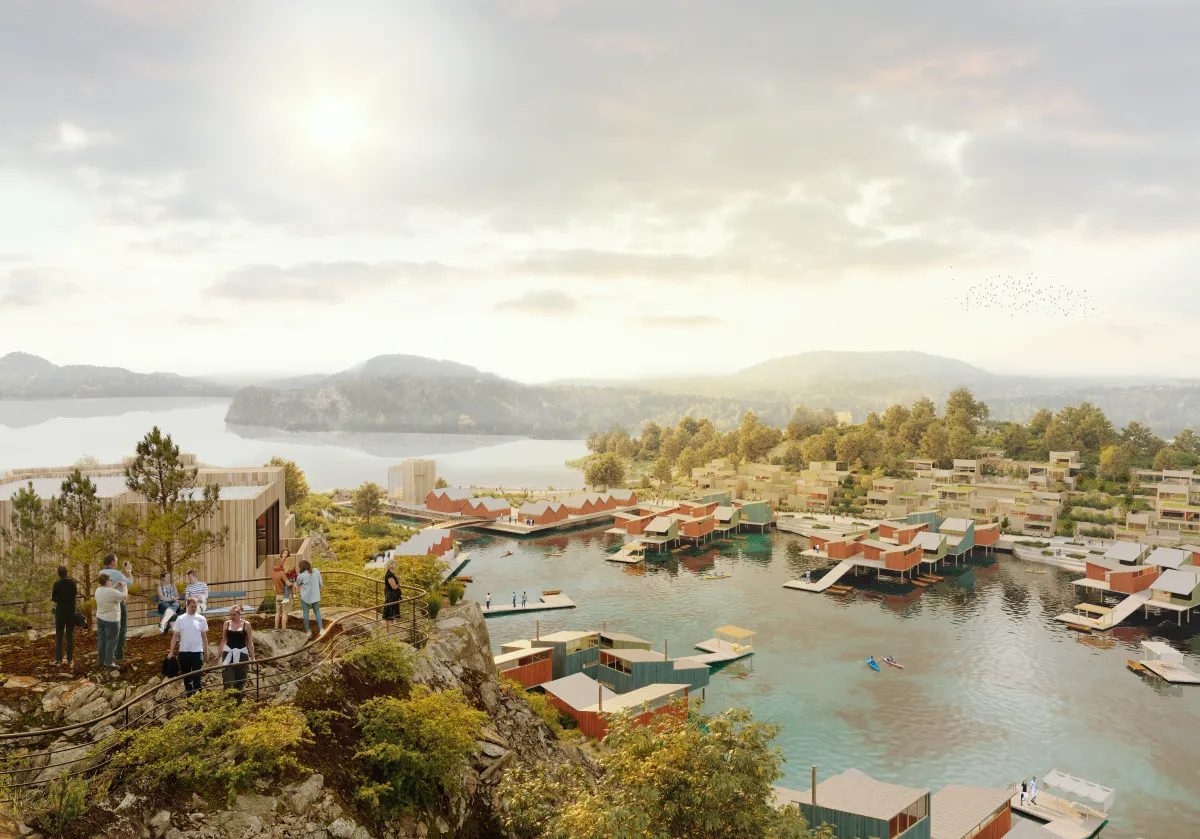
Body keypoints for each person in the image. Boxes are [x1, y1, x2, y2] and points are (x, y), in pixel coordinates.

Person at [169, 597, 212, 697]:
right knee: (187, 678)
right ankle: (190, 699)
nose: (194, 608)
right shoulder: (180, 619)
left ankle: (199, 699)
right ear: (187, 606)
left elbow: (204, 637)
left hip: (197, 652)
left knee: (197, 677)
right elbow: (175, 636)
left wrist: (206, 651)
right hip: (184, 652)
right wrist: (171, 651)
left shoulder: (201, 619)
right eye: (192, 606)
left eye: (195, 606)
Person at [100, 554, 133, 664]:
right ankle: (118, 655)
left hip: (106, 605)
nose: (117, 562)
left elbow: (113, 577)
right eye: (116, 560)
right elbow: (129, 583)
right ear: (113, 561)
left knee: (107, 632)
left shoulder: (102, 573)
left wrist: (121, 572)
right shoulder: (117, 574)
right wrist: (128, 571)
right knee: (121, 628)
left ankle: (106, 656)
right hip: (118, 604)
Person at [219, 604, 255, 700]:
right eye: (230, 614)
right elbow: (224, 640)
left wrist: (253, 658)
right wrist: (218, 655)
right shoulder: (226, 624)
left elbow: (250, 642)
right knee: (228, 679)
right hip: (228, 653)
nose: (232, 616)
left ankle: (238, 704)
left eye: (234, 614)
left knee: (240, 680)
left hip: (242, 654)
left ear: (239, 614)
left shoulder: (246, 624)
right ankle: (228, 704)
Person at [94, 573, 126, 672]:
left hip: (100, 618)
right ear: (107, 581)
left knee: (102, 640)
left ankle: (102, 661)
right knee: (111, 641)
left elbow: (108, 591)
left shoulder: (98, 590)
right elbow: (124, 596)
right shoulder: (111, 592)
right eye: (110, 580)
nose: (111, 581)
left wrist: (115, 586)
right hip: (112, 620)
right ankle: (109, 662)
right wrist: (124, 587)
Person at [51, 566, 77, 668]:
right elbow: (74, 594)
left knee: (59, 635)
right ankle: (70, 660)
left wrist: (59, 599)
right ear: (67, 573)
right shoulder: (72, 583)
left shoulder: (56, 584)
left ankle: (58, 660)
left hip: (60, 612)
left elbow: (54, 598)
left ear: (58, 574)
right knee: (70, 635)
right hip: (70, 612)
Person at [296, 559, 323, 636]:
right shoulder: (316, 571)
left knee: (306, 613)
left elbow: (298, 583)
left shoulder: (301, 576)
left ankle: (308, 631)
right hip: (316, 596)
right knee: (317, 612)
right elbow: (321, 583)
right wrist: (318, 591)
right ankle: (321, 629)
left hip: (305, 597)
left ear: (301, 568)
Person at [272, 550, 293, 630]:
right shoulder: (282, 573)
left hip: (277, 595)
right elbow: (288, 583)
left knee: (277, 613)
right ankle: (284, 630)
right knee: (284, 613)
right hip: (284, 595)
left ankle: (276, 628)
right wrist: (293, 583)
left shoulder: (273, 572)